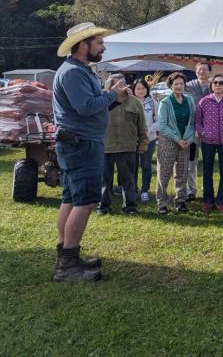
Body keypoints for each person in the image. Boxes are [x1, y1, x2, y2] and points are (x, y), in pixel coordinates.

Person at [51, 22, 127, 282]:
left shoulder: (79, 71)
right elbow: (85, 107)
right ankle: (67, 266)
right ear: (83, 45)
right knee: (85, 202)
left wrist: (111, 99)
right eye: (99, 42)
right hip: (81, 144)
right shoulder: (73, 73)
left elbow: (90, 108)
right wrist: (111, 95)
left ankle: (66, 256)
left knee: (72, 199)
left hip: (78, 142)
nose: (103, 46)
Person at [98, 73, 149, 216]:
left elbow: (142, 125)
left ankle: (130, 207)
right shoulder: (103, 101)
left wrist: (143, 143)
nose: (121, 87)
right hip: (105, 146)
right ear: (110, 86)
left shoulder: (135, 102)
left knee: (129, 179)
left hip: (128, 146)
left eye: (122, 84)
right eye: (117, 85)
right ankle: (103, 206)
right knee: (104, 180)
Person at [195, 73, 223, 213]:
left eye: (221, 83)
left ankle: (221, 201)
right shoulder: (204, 101)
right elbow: (198, 122)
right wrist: (203, 133)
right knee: (207, 172)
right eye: (215, 82)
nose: (218, 85)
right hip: (207, 142)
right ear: (211, 85)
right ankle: (208, 201)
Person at [156, 72, 196, 215]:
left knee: (182, 173)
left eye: (181, 84)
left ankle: (180, 201)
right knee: (164, 173)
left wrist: (189, 139)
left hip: (185, 142)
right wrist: (177, 139)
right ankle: (162, 202)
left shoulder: (190, 100)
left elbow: (192, 123)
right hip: (168, 142)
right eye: (176, 84)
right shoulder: (165, 102)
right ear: (171, 86)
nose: (179, 86)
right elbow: (162, 126)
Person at [185, 61, 212, 201]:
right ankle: (191, 190)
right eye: (199, 69)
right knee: (191, 161)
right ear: (196, 72)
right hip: (192, 130)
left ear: (209, 72)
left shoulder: (214, 86)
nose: (202, 72)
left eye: (205, 69)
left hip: (210, 130)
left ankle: (207, 190)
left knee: (208, 161)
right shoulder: (188, 86)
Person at [132, 78, 158, 203]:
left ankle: (145, 191)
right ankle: (133, 189)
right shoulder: (129, 101)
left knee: (146, 165)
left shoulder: (152, 102)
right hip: (132, 140)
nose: (141, 91)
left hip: (149, 139)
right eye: (138, 88)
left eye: (143, 88)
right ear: (134, 90)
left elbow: (160, 120)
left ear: (147, 89)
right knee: (133, 165)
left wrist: (149, 130)